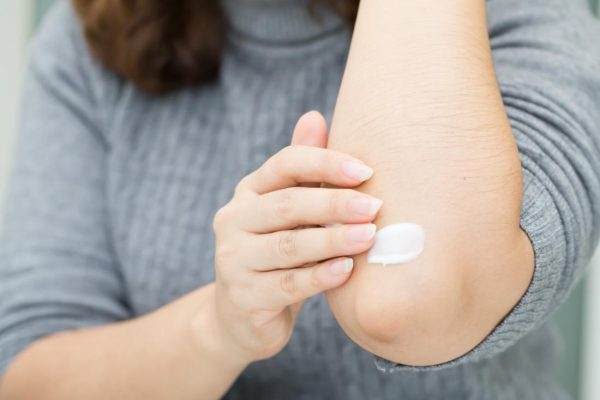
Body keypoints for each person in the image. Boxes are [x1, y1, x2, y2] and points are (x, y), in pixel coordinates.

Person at [1, 0, 599, 398]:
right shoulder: (90, 39)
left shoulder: (519, 16)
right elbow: (29, 375)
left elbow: (408, 300)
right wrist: (221, 327)